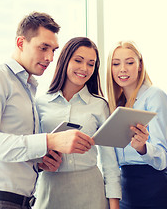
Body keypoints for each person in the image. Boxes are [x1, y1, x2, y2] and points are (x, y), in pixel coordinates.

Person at [0, 12, 95, 209]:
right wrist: (50, 140)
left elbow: (11, 148)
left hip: (22, 202)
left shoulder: (28, 88)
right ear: (20, 43)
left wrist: (39, 161)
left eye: (53, 50)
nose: (50, 57)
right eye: (43, 48)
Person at [34, 37, 122, 209]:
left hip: (90, 190)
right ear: (65, 60)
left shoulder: (99, 105)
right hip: (50, 189)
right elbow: (31, 150)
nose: (84, 68)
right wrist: (40, 162)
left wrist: (114, 204)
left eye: (91, 64)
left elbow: (109, 160)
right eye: (78, 60)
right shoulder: (40, 103)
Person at [106, 40, 167, 209]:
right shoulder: (113, 105)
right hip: (124, 192)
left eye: (129, 62)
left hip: (154, 190)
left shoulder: (155, 96)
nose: (122, 69)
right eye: (116, 63)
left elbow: (162, 158)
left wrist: (142, 147)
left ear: (140, 65)